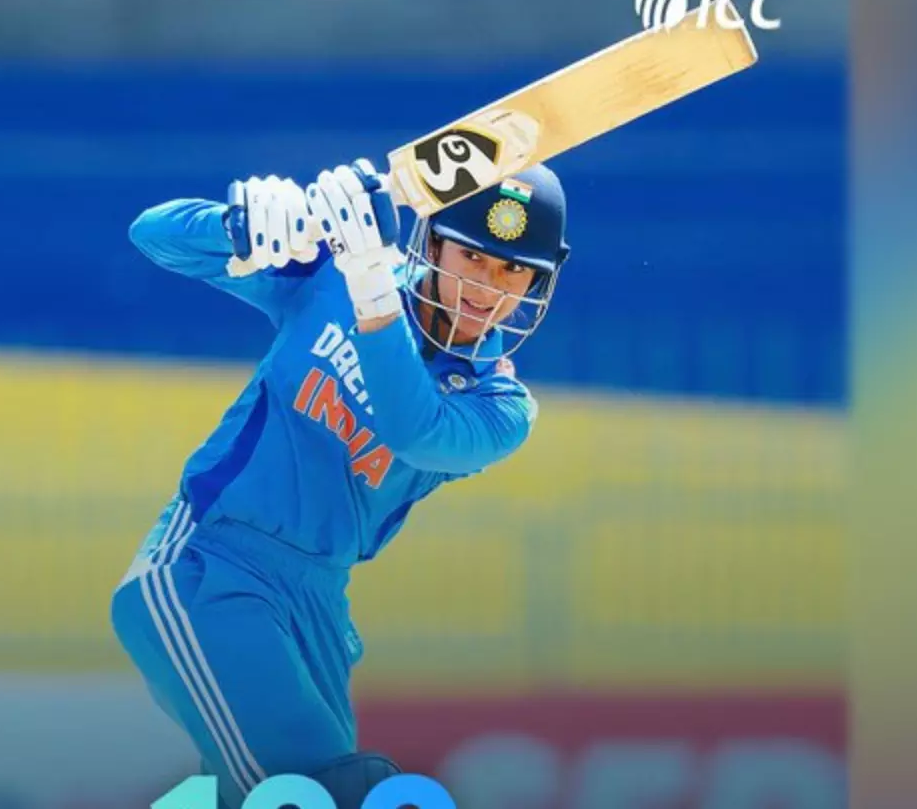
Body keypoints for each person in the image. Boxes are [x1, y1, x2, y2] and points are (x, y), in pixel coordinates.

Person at [110, 158, 571, 809]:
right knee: (323, 793)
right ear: (434, 240)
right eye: (472, 256)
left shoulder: (499, 405)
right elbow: (153, 235)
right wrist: (251, 226)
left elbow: (414, 429)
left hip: (317, 608)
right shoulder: (331, 273)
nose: (487, 288)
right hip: (206, 567)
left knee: (262, 796)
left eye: (513, 270)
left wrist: (372, 286)